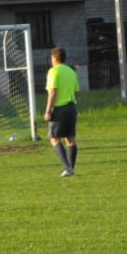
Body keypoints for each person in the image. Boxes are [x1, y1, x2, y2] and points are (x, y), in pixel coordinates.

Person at [44, 47, 80, 178]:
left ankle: (67, 168)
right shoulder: (71, 72)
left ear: (54, 58)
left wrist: (48, 111)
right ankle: (71, 169)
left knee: (54, 138)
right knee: (70, 139)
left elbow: (53, 92)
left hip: (60, 108)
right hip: (72, 107)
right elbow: (77, 93)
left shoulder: (53, 71)